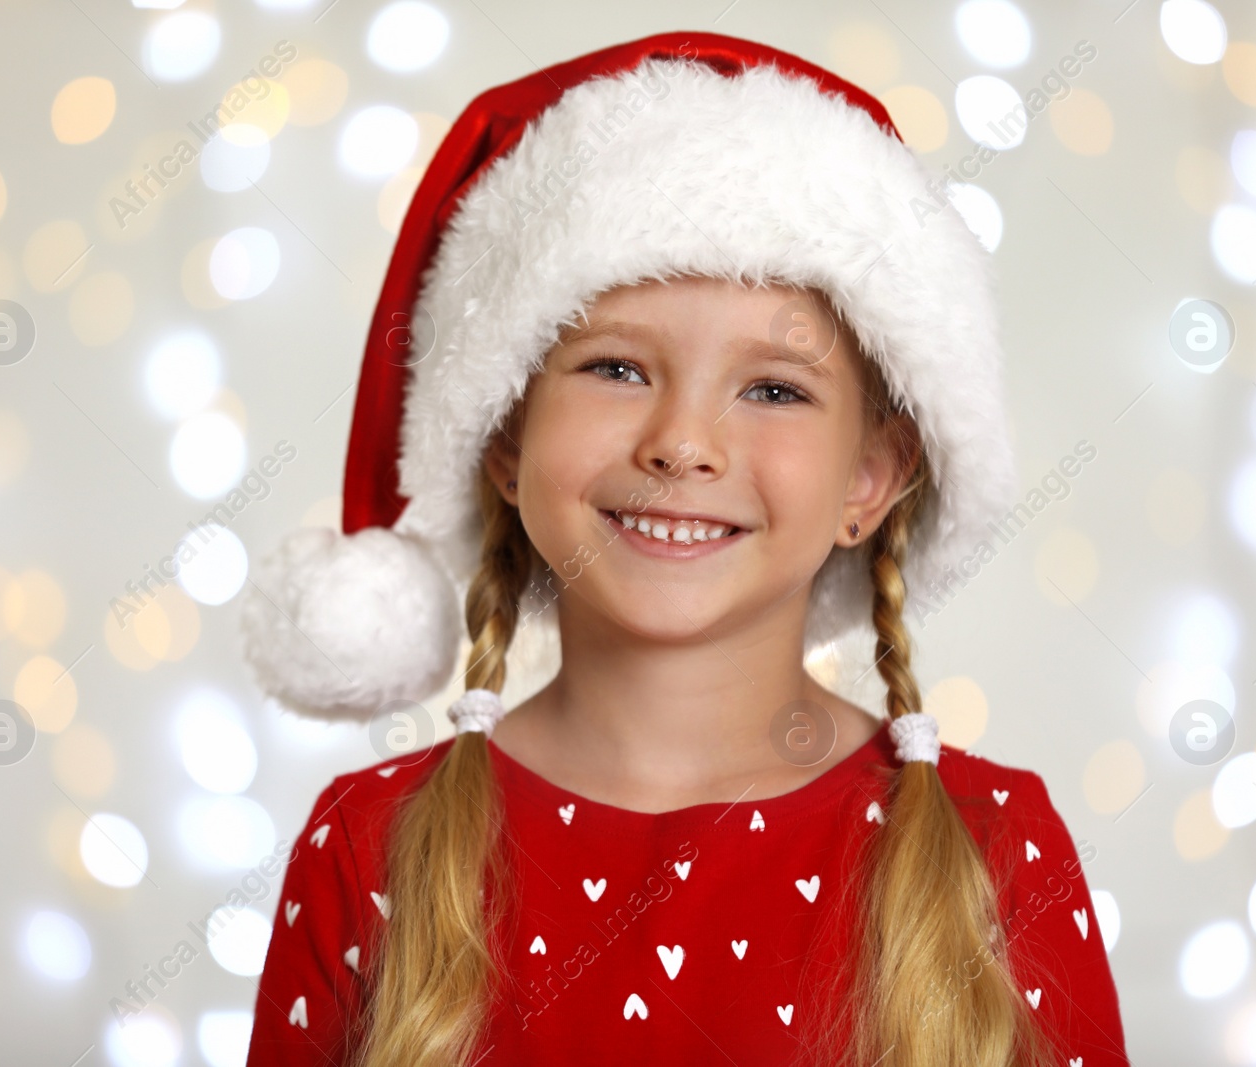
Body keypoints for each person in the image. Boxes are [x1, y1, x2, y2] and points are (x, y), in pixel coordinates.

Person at [239, 30, 1129, 1067]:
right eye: (615, 368)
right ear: (504, 434)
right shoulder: (367, 844)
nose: (681, 443)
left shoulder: (995, 847)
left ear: (868, 478)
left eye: (774, 388)